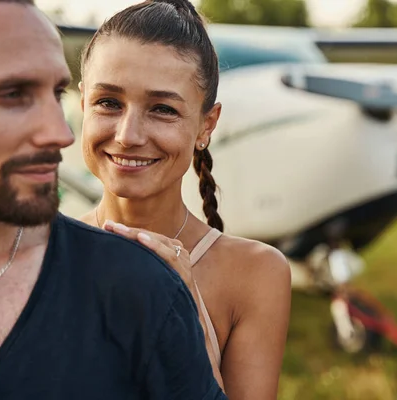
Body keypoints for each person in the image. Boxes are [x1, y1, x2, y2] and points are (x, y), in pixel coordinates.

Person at [0, 1, 227, 399]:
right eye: (14, 95)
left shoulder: (145, 286)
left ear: (207, 124)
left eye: (54, 93)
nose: (61, 133)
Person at [75, 0, 292, 398]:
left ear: (206, 125)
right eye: (108, 102)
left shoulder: (255, 275)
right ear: (82, 101)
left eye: (162, 109)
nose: (128, 134)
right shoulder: (41, 254)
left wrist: (183, 309)